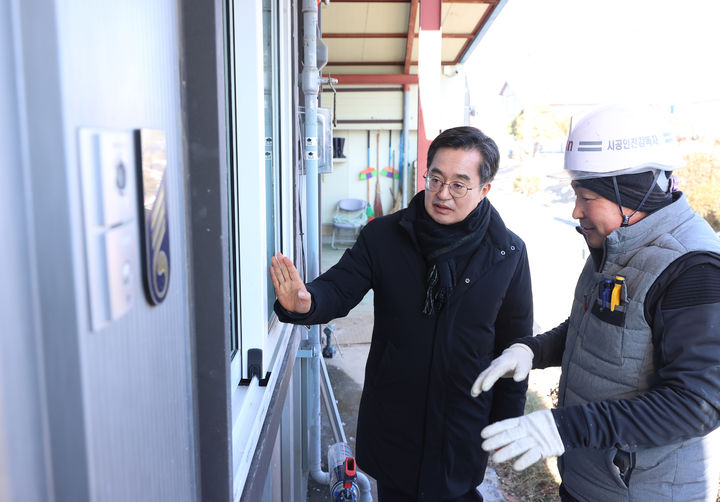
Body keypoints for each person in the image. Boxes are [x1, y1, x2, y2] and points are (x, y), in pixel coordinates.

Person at [270, 126, 533, 501]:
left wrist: (507, 424)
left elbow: (514, 346)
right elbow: (339, 288)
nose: (442, 194)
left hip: (461, 425)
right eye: (436, 179)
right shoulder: (384, 237)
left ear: (484, 189)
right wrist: (307, 301)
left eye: (459, 185)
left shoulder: (506, 252)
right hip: (394, 418)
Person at [472, 104, 720, 501]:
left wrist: (565, 427)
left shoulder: (692, 268)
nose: (576, 211)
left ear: (631, 195)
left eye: (586, 197)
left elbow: (697, 403)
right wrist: (530, 350)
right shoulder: (619, 247)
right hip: (592, 481)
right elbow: (596, 329)